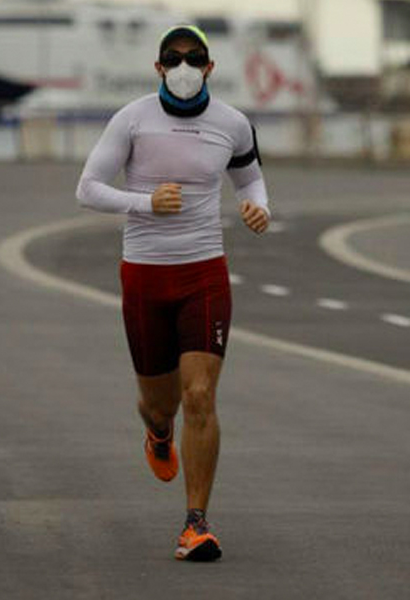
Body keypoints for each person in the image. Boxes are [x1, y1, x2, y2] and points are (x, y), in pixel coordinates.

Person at [76, 24, 271, 562]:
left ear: (210, 67)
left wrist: (260, 208)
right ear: (159, 67)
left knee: (200, 396)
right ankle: (159, 433)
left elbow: (250, 180)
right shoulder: (133, 119)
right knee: (160, 405)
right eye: (174, 58)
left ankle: (196, 525)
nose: (185, 67)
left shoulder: (232, 124)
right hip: (144, 274)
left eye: (194, 57)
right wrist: (143, 203)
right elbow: (87, 189)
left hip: (204, 273)